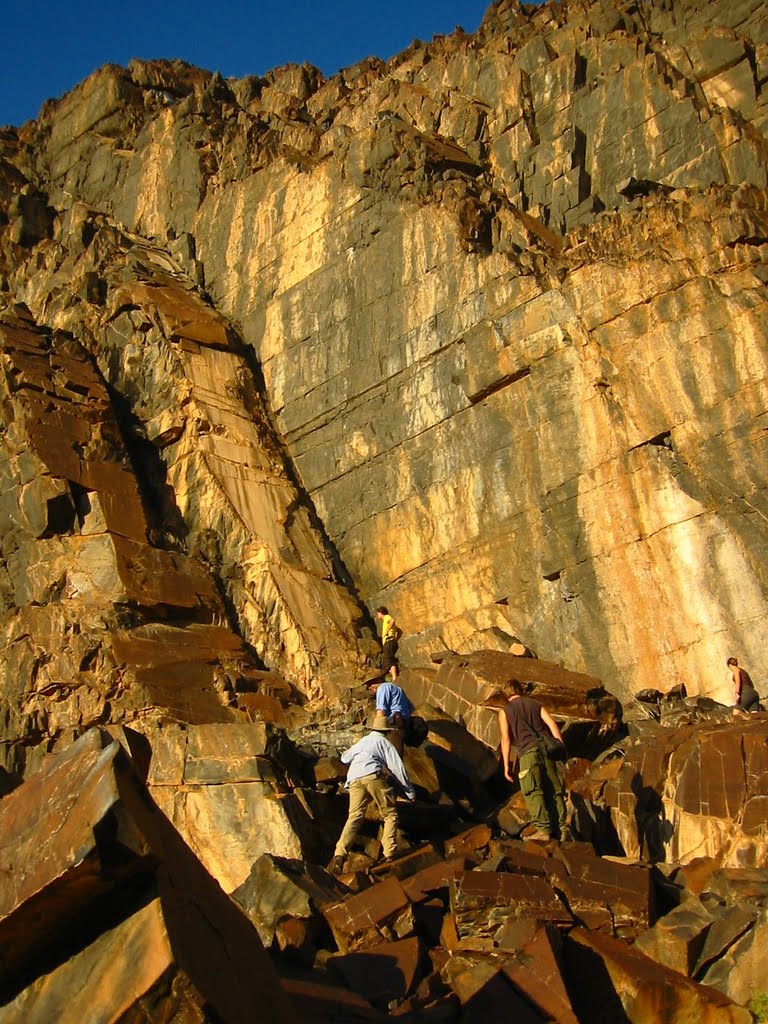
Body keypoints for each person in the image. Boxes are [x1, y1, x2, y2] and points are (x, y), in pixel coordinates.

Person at [328, 712, 416, 873]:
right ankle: (389, 853)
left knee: (354, 816)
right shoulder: (384, 743)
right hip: (372, 775)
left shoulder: (362, 741)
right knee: (390, 814)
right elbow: (397, 768)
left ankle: (339, 854)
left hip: (354, 779)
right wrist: (409, 792)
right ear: (387, 731)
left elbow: (344, 758)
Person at [498, 678, 568, 841]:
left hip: (528, 752)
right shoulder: (536, 704)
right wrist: (561, 747)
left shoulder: (505, 711)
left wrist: (506, 765)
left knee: (533, 790)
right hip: (547, 750)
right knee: (555, 790)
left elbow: (505, 739)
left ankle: (543, 830)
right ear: (520, 690)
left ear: (506, 693)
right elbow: (552, 724)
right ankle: (563, 829)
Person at [364, 675, 413, 746]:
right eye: (368, 685)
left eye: (371, 684)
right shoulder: (398, 689)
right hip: (404, 724)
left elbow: (380, 711)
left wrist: (376, 732)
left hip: (394, 723)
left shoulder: (382, 688)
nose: (369, 687)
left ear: (378, 680)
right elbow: (409, 708)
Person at [376, 606, 400, 682]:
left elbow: (392, 620)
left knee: (388, 659)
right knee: (389, 659)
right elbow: (400, 631)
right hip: (391, 642)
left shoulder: (386, 617)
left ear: (381, 612)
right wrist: (396, 639)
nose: (377, 616)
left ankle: (394, 677)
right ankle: (394, 676)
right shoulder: (386, 621)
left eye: (378, 613)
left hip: (389, 642)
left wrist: (386, 632)